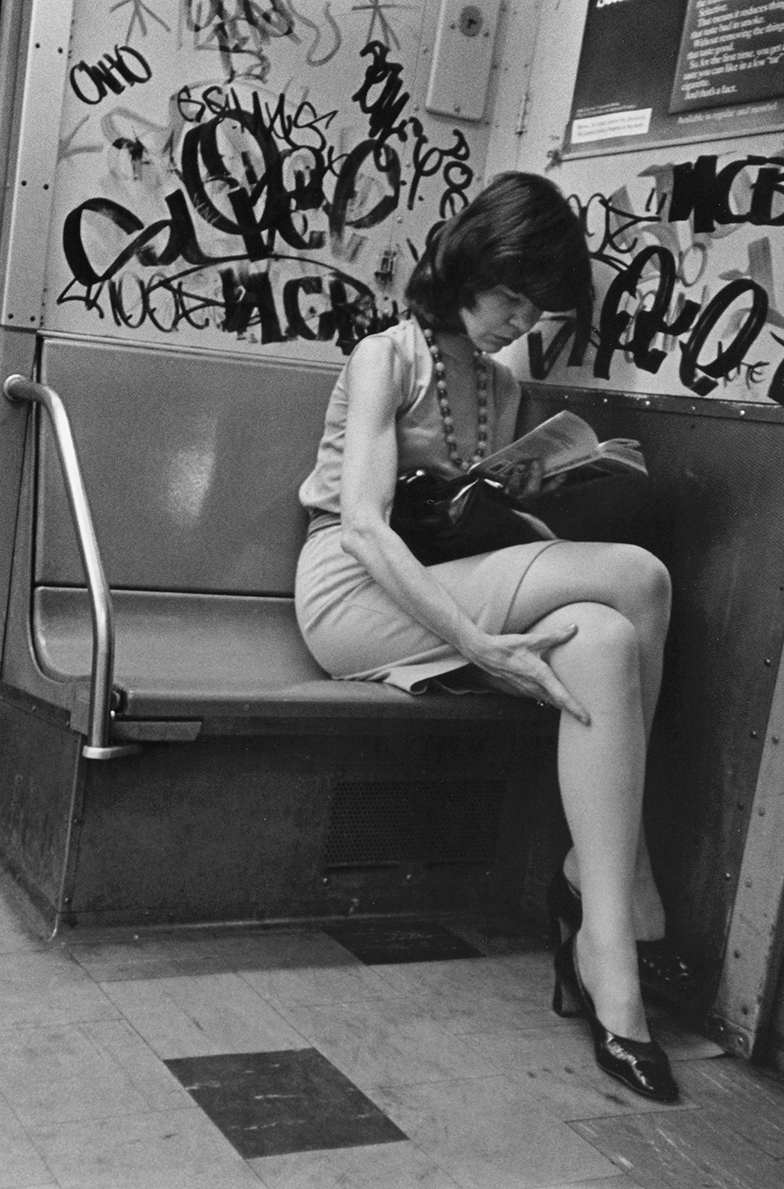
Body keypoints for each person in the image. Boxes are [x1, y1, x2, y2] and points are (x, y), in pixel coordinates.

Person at [294, 172, 683, 1103]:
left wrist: (525, 497)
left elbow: (467, 518)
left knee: (604, 641)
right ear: (468, 266)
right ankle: (623, 878)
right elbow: (365, 527)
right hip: (353, 593)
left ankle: (606, 958)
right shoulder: (386, 355)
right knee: (640, 579)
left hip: (445, 581)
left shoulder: (502, 385)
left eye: (537, 307)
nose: (521, 320)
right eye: (511, 295)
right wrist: (480, 641)